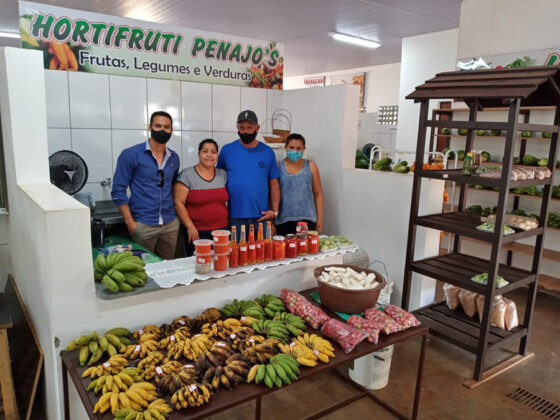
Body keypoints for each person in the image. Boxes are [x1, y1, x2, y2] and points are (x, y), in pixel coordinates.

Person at [111, 111, 180, 260]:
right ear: (150, 127)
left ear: (171, 130)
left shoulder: (174, 157)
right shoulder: (131, 155)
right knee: (143, 273)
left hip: (170, 225)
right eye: (158, 126)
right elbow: (117, 190)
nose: (162, 130)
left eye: (166, 127)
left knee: (167, 269)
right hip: (143, 225)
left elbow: (172, 187)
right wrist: (130, 223)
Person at [217, 110, 280, 240]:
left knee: (263, 257)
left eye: (249, 128)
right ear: (237, 128)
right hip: (234, 217)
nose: (245, 131)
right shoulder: (227, 151)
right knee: (237, 257)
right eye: (242, 128)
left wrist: (274, 212)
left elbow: (274, 185)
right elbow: (218, 181)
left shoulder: (268, 152)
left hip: (262, 217)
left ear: (257, 128)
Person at [174, 139, 228, 256]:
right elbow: (178, 203)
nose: (209, 155)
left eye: (213, 152)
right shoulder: (187, 175)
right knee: (200, 264)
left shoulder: (223, 175)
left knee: (221, 263)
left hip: (222, 231)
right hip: (197, 232)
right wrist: (190, 227)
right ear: (199, 154)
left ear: (217, 155)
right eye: (205, 151)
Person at [275, 133, 324, 236]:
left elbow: (318, 193)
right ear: (285, 147)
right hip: (283, 220)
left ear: (304, 149)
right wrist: (271, 221)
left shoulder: (311, 166)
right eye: (291, 147)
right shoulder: (278, 166)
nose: (295, 151)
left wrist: (319, 219)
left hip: (307, 220)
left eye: (299, 148)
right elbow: (272, 194)